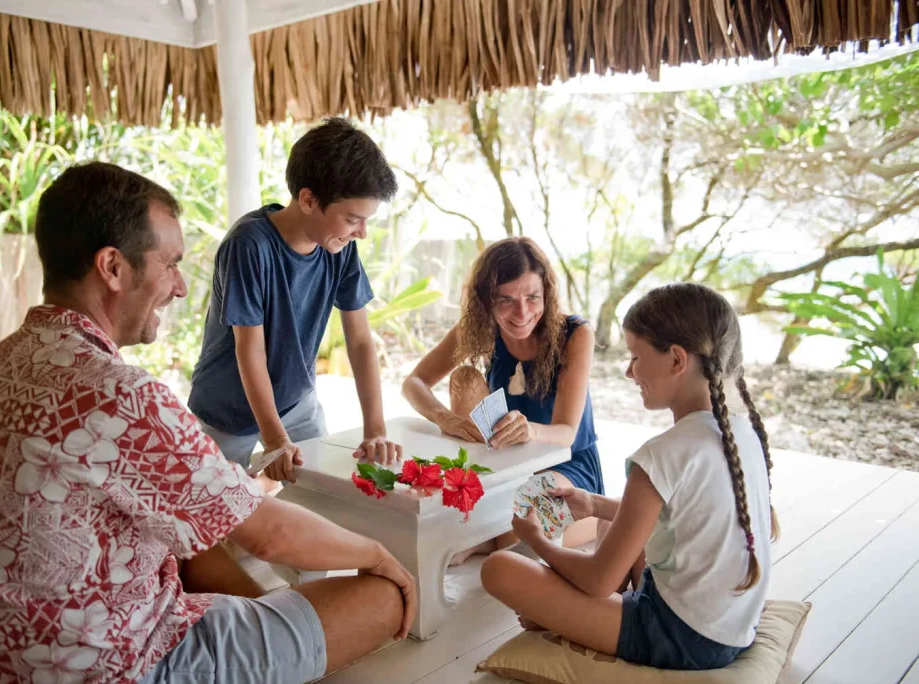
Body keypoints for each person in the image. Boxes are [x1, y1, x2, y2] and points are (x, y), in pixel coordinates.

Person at [0, 162, 415, 684]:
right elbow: (269, 536)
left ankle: (270, 637)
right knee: (379, 597)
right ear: (112, 267)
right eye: (170, 264)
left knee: (193, 538)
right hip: (119, 665)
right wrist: (379, 555)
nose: (179, 288)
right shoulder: (116, 393)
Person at [480, 283, 779, 671]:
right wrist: (592, 504)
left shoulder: (660, 455)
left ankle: (574, 617)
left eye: (635, 357)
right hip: (732, 626)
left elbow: (599, 580)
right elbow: (679, 515)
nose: (628, 371)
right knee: (613, 527)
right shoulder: (740, 433)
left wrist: (537, 541)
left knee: (500, 569)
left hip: (681, 637)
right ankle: (579, 613)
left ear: (676, 359)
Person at [188, 118, 403, 481]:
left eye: (365, 221)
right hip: (227, 408)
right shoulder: (249, 244)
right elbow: (249, 349)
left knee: (325, 492)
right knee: (216, 515)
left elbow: (361, 340)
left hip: (296, 402)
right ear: (308, 200)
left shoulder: (340, 247)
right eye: (353, 219)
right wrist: (274, 440)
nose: (361, 233)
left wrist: (375, 428)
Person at [402, 237, 603, 553]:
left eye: (532, 297)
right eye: (505, 300)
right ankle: (483, 533)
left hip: (569, 466)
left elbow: (566, 433)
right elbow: (414, 382)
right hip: (506, 468)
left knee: (520, 531)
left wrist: (530, 430)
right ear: (486, 300)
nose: (521, 313)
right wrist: (446, 418)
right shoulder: (480, 327)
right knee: (463, 379)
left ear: (547, 294)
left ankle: (596, 517)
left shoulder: (575, 334)